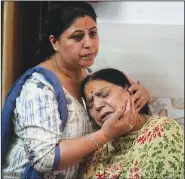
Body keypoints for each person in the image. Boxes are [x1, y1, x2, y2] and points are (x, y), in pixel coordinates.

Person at [2, 2, 150, 179]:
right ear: (54, 42)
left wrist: (141, 94)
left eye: (93, 34)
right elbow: (44, 158)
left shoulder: (90, 79)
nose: (89, 44)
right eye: (77, 37)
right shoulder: (39, 88)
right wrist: (104, 135)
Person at [79, 68, 184, 179]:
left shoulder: (164, 129)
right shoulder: (99, 146)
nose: (97, 105)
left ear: (128, 91)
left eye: (104, 94)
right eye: (90, 104)